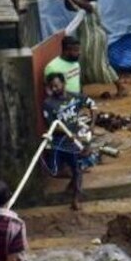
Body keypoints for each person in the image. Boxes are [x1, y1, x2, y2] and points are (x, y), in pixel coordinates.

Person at [42, 73, 94, 211]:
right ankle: (73, 182)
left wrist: (92, 126)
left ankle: (76, 198)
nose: (54, 89)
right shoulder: (48, 103)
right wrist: (70, 135)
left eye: (57, 85)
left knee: (77, 168)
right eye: (51, 86)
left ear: (64, 84)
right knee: (54, 170)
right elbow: (52, 125)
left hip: (75, 142)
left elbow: (92, 105)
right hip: (60, 142)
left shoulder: (75, 97)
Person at [58, 0, 124, 96]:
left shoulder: (93, 5)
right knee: (82, 62)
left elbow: (83, 5)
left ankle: (121, 87)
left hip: (96, 38)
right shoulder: (82, 9)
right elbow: (70, 7)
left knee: (100, 63)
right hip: (85, 39)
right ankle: (80, 90)